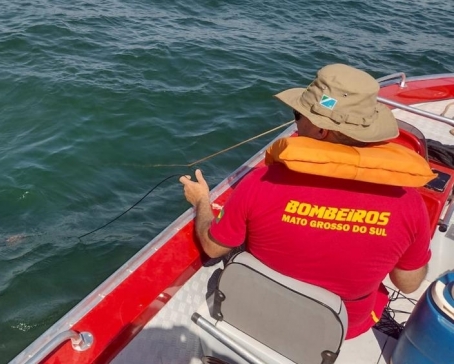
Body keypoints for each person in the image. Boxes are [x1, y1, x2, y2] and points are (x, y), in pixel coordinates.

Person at [180, 63, 432, 339]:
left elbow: (213, 247)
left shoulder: (261, 182)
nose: (295, 122)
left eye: (298, 115)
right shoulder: (409, 203)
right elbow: (408, 284)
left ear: (321, 130)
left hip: (257, 309)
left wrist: (201, 201)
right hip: (340, 329)